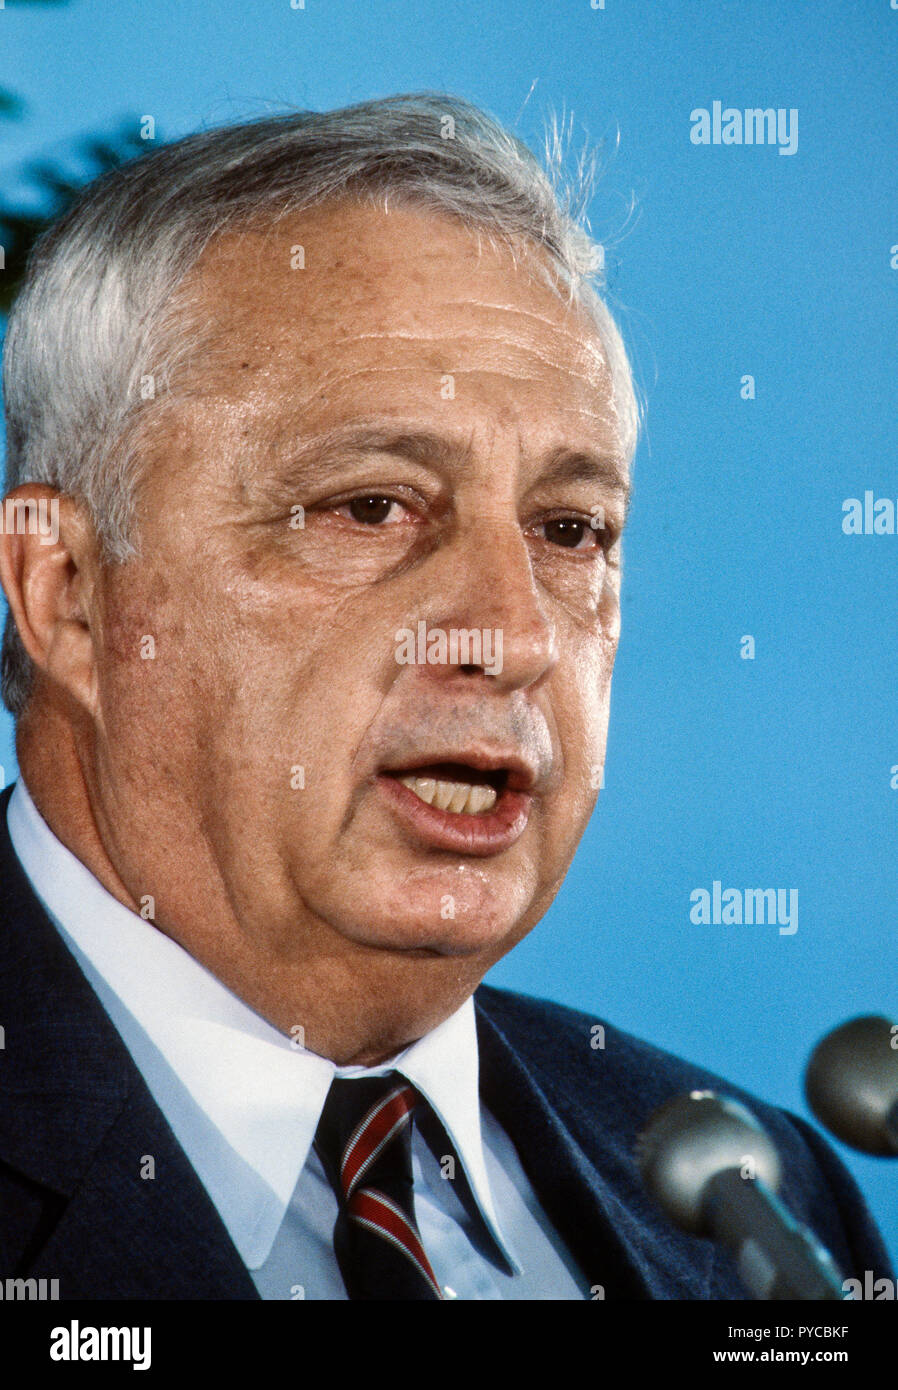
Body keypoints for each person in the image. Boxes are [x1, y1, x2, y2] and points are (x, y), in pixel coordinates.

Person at [0, 93, 889, 1300]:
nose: (516, 635)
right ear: (66, 594)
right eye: (370, 507)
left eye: (571, 530)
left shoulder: (760, 1206)